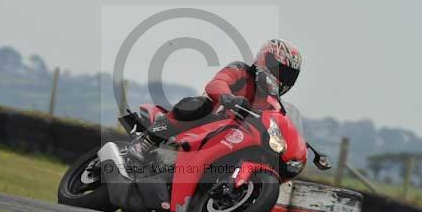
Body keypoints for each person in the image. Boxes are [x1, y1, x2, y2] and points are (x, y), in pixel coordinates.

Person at [127, 39, 303, 161]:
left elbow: (281, 122)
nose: (283, 78)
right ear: (267, 59)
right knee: (201, 104)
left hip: (234, 139)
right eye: (281, 70)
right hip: (209, 120)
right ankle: (148, 141)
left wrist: (297, 144)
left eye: (288, 75)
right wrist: (228, 98)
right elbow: (217, 83)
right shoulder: (241, 71)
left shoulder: (273, 104)